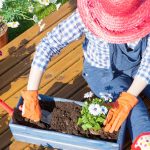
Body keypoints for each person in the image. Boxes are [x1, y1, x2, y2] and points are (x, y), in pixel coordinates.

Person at [21, 0, 150, 149]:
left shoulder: (146, 17)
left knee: (132, 99)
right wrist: (31, 93)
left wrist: (129, 97)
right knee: (136, 110)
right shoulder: (89, 17)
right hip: (103, 74)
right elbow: (48, 44)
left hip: (139, 68)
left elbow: (147, 63)